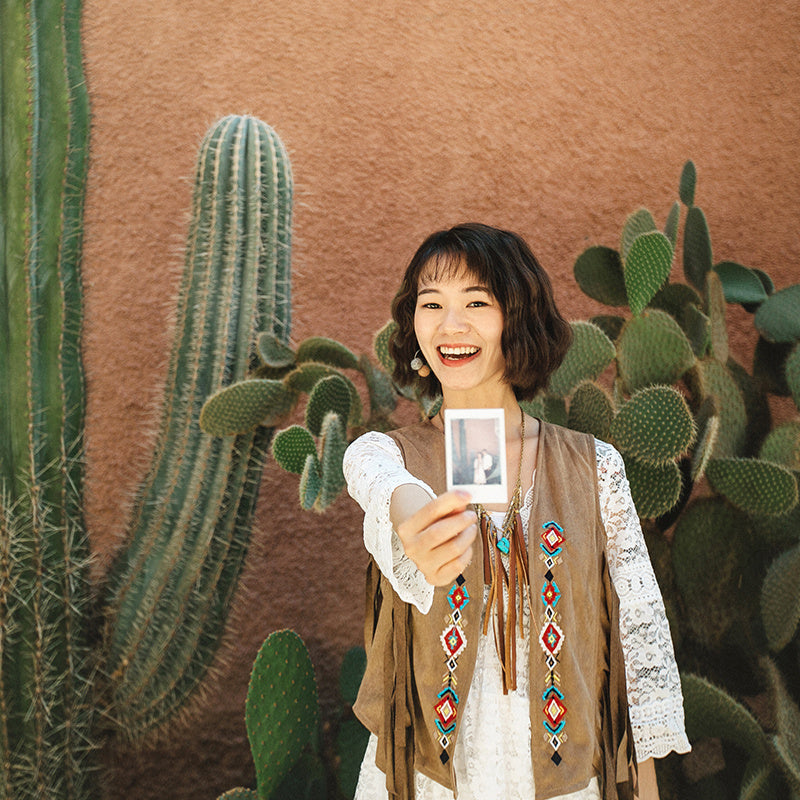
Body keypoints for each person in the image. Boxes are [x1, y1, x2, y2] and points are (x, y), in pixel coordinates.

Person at [342, 223, 690, 800]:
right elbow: (376, 480)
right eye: (432, 304)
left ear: (518, 318)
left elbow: (636, 648)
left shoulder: (594, 467)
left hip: (566, 776)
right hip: (431, 780)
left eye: (476, 302)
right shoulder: (392, 457)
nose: (451, 325)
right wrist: (414, 519)